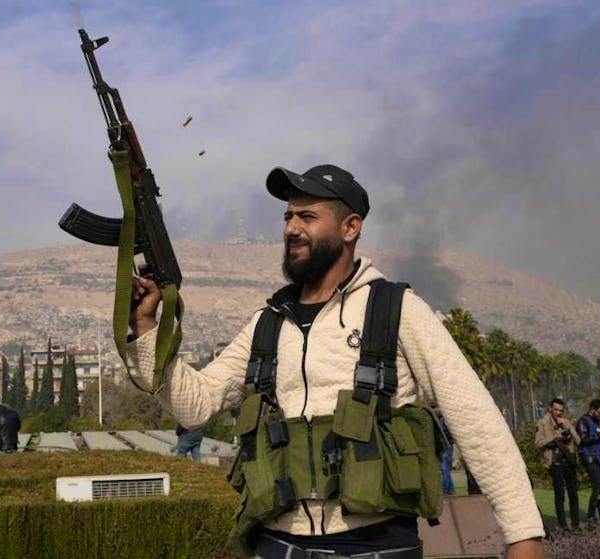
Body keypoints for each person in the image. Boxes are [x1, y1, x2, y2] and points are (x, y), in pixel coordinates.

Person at [128, 163, 544, 559]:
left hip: (374, 545)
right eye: (288, 217)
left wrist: (523, 535)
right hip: (277, 543)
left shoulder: (396, 310)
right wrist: (146, 328)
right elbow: (194, 405)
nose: (291, 228)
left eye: (307, 216)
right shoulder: (268, 323)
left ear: (350, 227)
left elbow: (475, 420)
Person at [534, 398, 580, 530]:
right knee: (560, 494)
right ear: (550, 408)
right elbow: (538, 443)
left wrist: (569, 427)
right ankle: (562, 524)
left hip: (569, 460)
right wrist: (553, 438)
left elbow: (578, 441)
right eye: (556, 410)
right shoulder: (543, 423)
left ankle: (575, 525)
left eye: (561, 410)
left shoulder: (566, 422)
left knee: (573, 494)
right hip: (555, 461)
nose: (558, 413)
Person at [576, 399, 600, 523]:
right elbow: (583, 440)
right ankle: (591, 516)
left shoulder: (596, 424)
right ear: (592, 410)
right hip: (590, 457)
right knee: (597, 487)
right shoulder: (583, 421)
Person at [432, 404, 455, 496]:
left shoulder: (443, 419)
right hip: (446, 444)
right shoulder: (442, 418)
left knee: (444, 467)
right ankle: (450, 490)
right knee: (445, 468)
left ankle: (445, 491)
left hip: (445, 444)